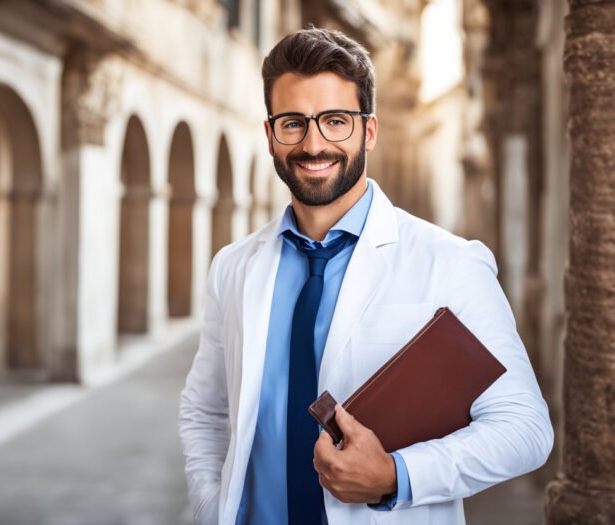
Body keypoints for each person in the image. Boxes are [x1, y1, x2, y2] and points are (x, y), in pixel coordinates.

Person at [179, 27, 553, 525]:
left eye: (335, 121)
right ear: (270, 135)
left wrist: (397, 476)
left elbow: (525, 428)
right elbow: (206, 412)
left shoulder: (451, 262)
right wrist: (212, 506)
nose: (314, 144)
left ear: (369, 131)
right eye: (293, 123)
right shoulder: (233, 267)